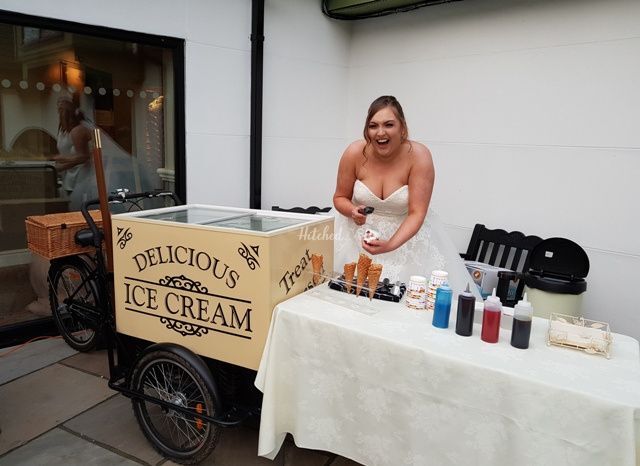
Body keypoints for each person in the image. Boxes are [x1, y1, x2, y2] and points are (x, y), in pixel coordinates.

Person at [332, 95, 479, 297]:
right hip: (354, 239)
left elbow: (417, 212)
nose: (380, 133)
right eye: (373, 126)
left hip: (407, 243)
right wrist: (352, 210)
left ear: (402, 128)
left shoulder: (419, 156)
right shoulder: (354, 152)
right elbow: (339, 197)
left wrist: (390, 245)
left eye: (389, 125)